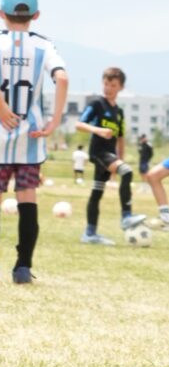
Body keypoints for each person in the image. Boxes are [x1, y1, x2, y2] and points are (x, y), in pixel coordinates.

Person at [0, 0, 68, 284]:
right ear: (35, 16)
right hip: (31, 136)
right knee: (28, 200)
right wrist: (54, 121)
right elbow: (62, 77)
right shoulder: (44, 46)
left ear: (1, 14)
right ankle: (22, 268)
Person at [76, 66, 133, 244]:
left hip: (110, 155)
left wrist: (120, 158)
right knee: (128, 172)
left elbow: (120, 138)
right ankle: (126, 216)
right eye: (106, 84)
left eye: (113, 85)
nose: (108, 88)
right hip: (99, 152)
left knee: (97, 192)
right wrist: (98, 130)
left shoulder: (119, 112)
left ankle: (90, 234)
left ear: (121, 87)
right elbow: (79, 124)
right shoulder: (97, 104)